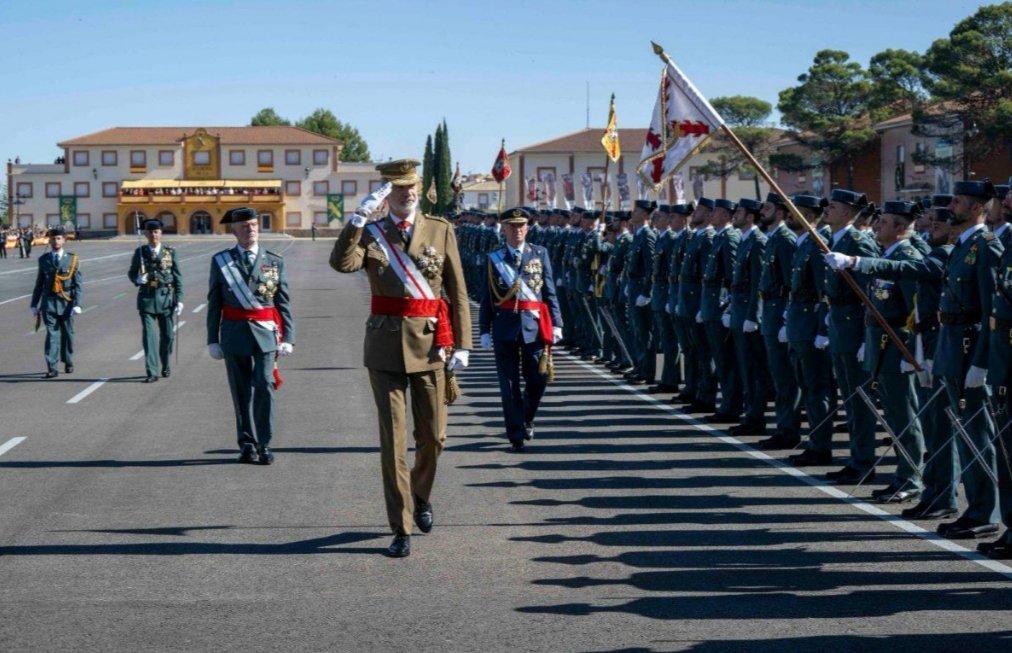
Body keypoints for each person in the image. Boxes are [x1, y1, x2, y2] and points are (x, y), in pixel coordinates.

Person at [330, 159, 472, 559]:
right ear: (386, 194)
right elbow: (342, 264)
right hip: (385, 346)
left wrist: (462, 344)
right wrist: (357, 218)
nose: (408, 193)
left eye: (413, 187)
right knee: (393, 444)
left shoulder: (440, 230)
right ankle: (401, 526)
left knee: (434, 437)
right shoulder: (372, 232)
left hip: (430, 347)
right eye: (399, 188)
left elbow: (457, 292)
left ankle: (421, 495)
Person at [206, 207, 295, 466]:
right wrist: (212, 338)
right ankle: (246, 443)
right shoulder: (221, 261)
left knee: (264, 385)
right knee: (240, 391)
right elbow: (214, 302)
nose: (251, 229)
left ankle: (264, 443)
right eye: (245, 226)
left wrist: (289, 335)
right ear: (234, 230)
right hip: (234, 334)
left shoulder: (274, 260)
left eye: (254, 225)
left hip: (266, 335)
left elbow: (283, 301)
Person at [479, 207, 563, 451]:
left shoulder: (540, 253)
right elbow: (487, 296)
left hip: (534, 326)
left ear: (528, 227)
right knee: (509, 384)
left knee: (539, 378)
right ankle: (515, 432)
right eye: (512, 226)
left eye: (521, 225)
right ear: (503, 228)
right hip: (504, 325)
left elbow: (548, 290)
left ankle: (526, 416)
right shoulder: (494, 258)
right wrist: (484, 329)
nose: (517, 230)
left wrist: (557, 322)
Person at [129, 219, 183, 382]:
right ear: (145, 234)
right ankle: (152, 371)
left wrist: (179, 300)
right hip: (147, 299)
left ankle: (165, 363)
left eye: (156, 232)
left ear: (161, 233)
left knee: (167, 337)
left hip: (166, 298)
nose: (153, 235)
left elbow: (177, 277)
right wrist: (138, 279)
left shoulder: (170, 252)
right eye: (150, 232)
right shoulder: (140, 252)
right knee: (149, 337)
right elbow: (131, 272)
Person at [30, 226, 82, 378]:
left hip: (67, 303)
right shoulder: (44, 259)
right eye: (52, 238)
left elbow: (78, 284)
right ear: (49, 240)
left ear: (64, 240)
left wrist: (78, 304)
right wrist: (34, 304)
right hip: (49, 303)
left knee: (68, 334)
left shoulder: (72, 259)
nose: (55, 241)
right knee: (51, 335)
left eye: (58, 238)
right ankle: (52, 366)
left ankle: (68, 360)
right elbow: (39, 283)